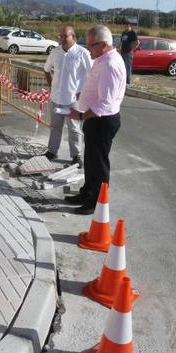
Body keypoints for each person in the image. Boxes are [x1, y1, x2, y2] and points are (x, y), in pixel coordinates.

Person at [66, 25, 126, 215]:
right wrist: (82, 94)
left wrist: (80, 115)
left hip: (102, 121)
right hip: (96, 120)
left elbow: (104, 104)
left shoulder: (110, 64)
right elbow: (96, 86)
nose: (88, 48)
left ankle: (96, 203)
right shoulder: (102, 58)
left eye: (91, 45)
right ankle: (87, 193)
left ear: (105, 44)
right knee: (91, 160)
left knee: (99, 165)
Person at [43, 25, 92, 164]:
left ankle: (76, 155)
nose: (63, 39)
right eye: (61, 36)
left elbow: (92, 74)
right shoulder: (55, 52)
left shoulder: (82, 53)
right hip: (56, 98)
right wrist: (51, 85)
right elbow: (46, 69)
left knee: (75, 129)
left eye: (66, 36)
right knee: (55, 127)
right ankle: (52, 151)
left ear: (73, 37)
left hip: (73, 100)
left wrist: (85, 92)